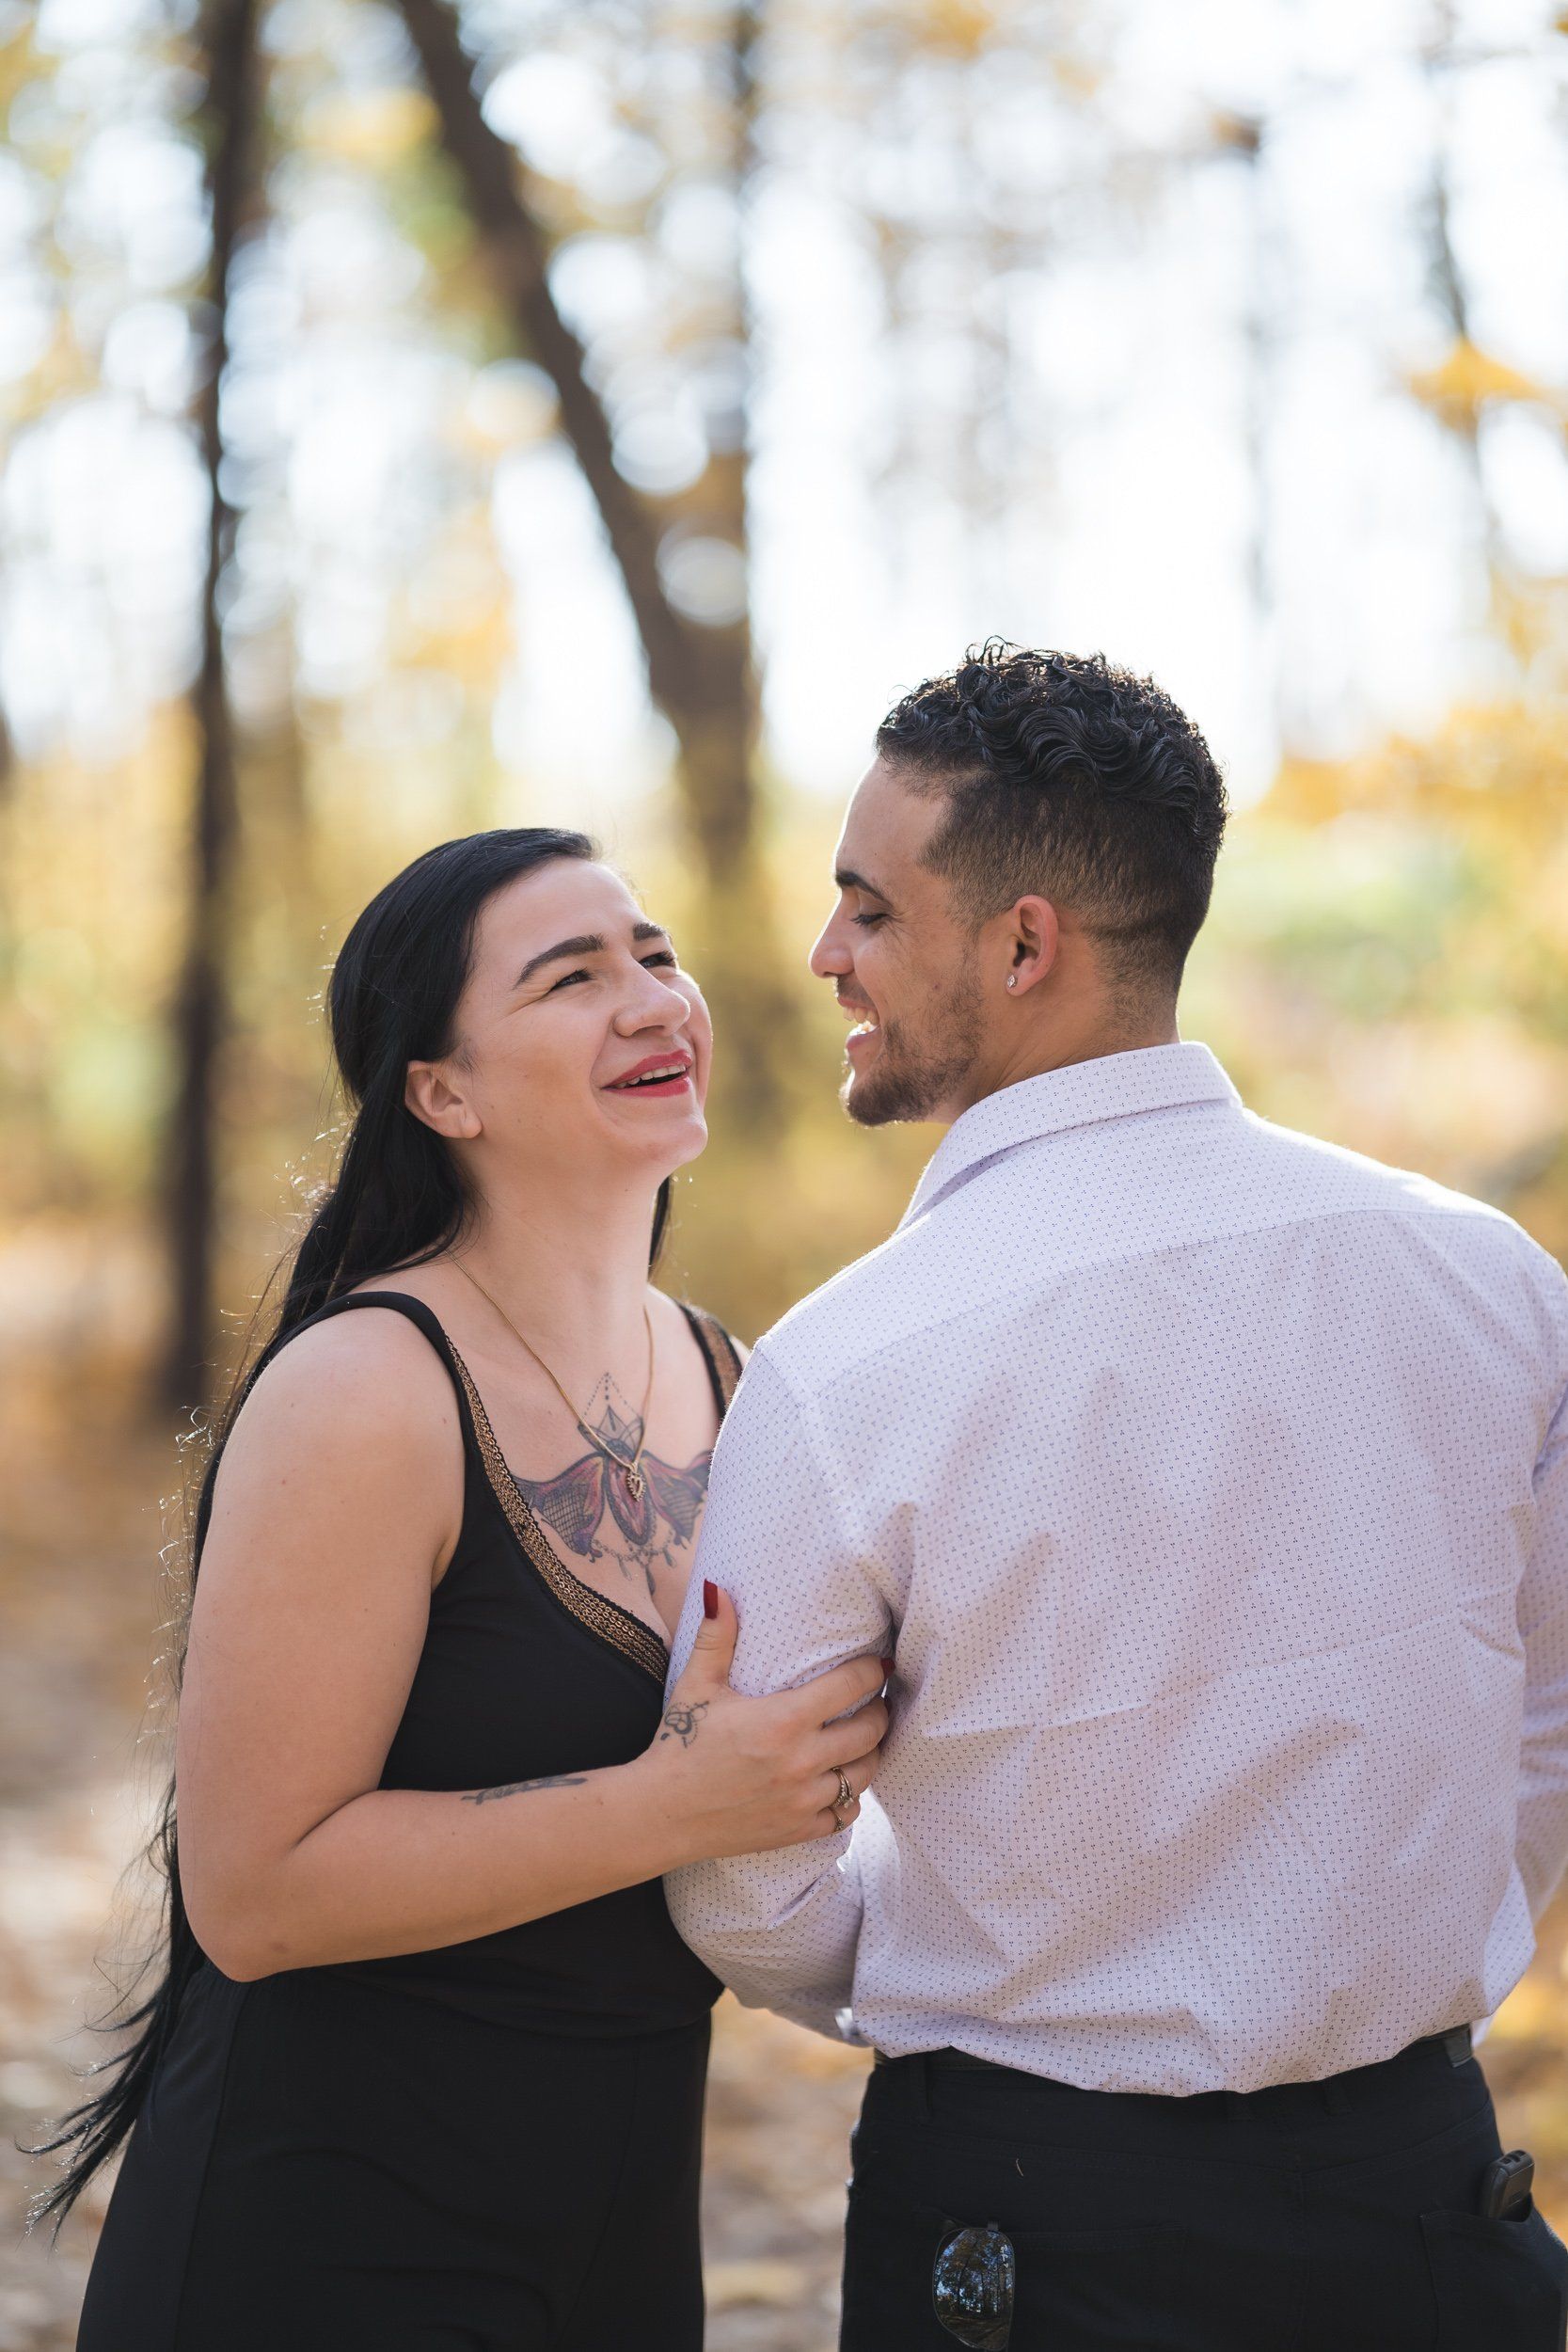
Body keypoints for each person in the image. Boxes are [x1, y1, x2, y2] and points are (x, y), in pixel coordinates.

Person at [666, 643, 1568, 2350]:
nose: (824, 954)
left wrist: (975, 1989)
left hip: (1023, 2226)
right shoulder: (1493, 1279)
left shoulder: (843, 1368)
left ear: (1024, 945)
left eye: (868, 908)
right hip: (1430, 2207)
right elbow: (1551, 1714)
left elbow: (742, 1879)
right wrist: (1398, 1951)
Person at [41, 828, 888, 2352]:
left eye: (654, 953)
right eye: (572, 977)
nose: (650, 999)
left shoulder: (738, 1377)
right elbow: (252, 1892)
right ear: (444, 1093)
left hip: (621, 2227)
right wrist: (676, 1806)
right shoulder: (368, 1391)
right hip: (326, 2238)